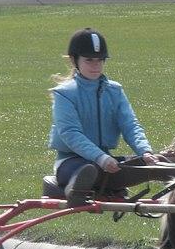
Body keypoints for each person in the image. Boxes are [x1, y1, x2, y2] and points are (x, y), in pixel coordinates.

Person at [48, 28, 158, 206]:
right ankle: (77, 189)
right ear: (74, 60)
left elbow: (130, 125)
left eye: (100, 60)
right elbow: (71, 133)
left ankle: (114, 180)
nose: (96, 65)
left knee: (140, 164)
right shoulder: (64, 94)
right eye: (89, 60)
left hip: (106, 161)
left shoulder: (115, 91)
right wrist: (101, 158)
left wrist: (145, 152)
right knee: (88, 169)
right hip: (71, 162)